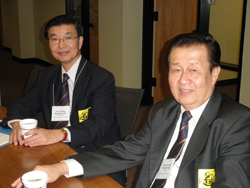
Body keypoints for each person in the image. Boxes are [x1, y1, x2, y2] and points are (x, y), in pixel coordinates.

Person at [12, 32, 250, 188]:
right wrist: (61, 167)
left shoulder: (235, 122)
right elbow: (123, 152)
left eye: (194, 70)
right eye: (176, 70)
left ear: (215, 73)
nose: (183, 80)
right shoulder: (163, 111)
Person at [2, 14, 126, 186]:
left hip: (96, 152)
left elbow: (100, 123)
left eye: (68, 38)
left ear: (80, 41)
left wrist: (59, 134)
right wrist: (17, 124)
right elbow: (23, 105)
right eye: (54, 39)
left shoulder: (100, 78)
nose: (61, 45)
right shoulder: (47, 76)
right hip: (56, 148)